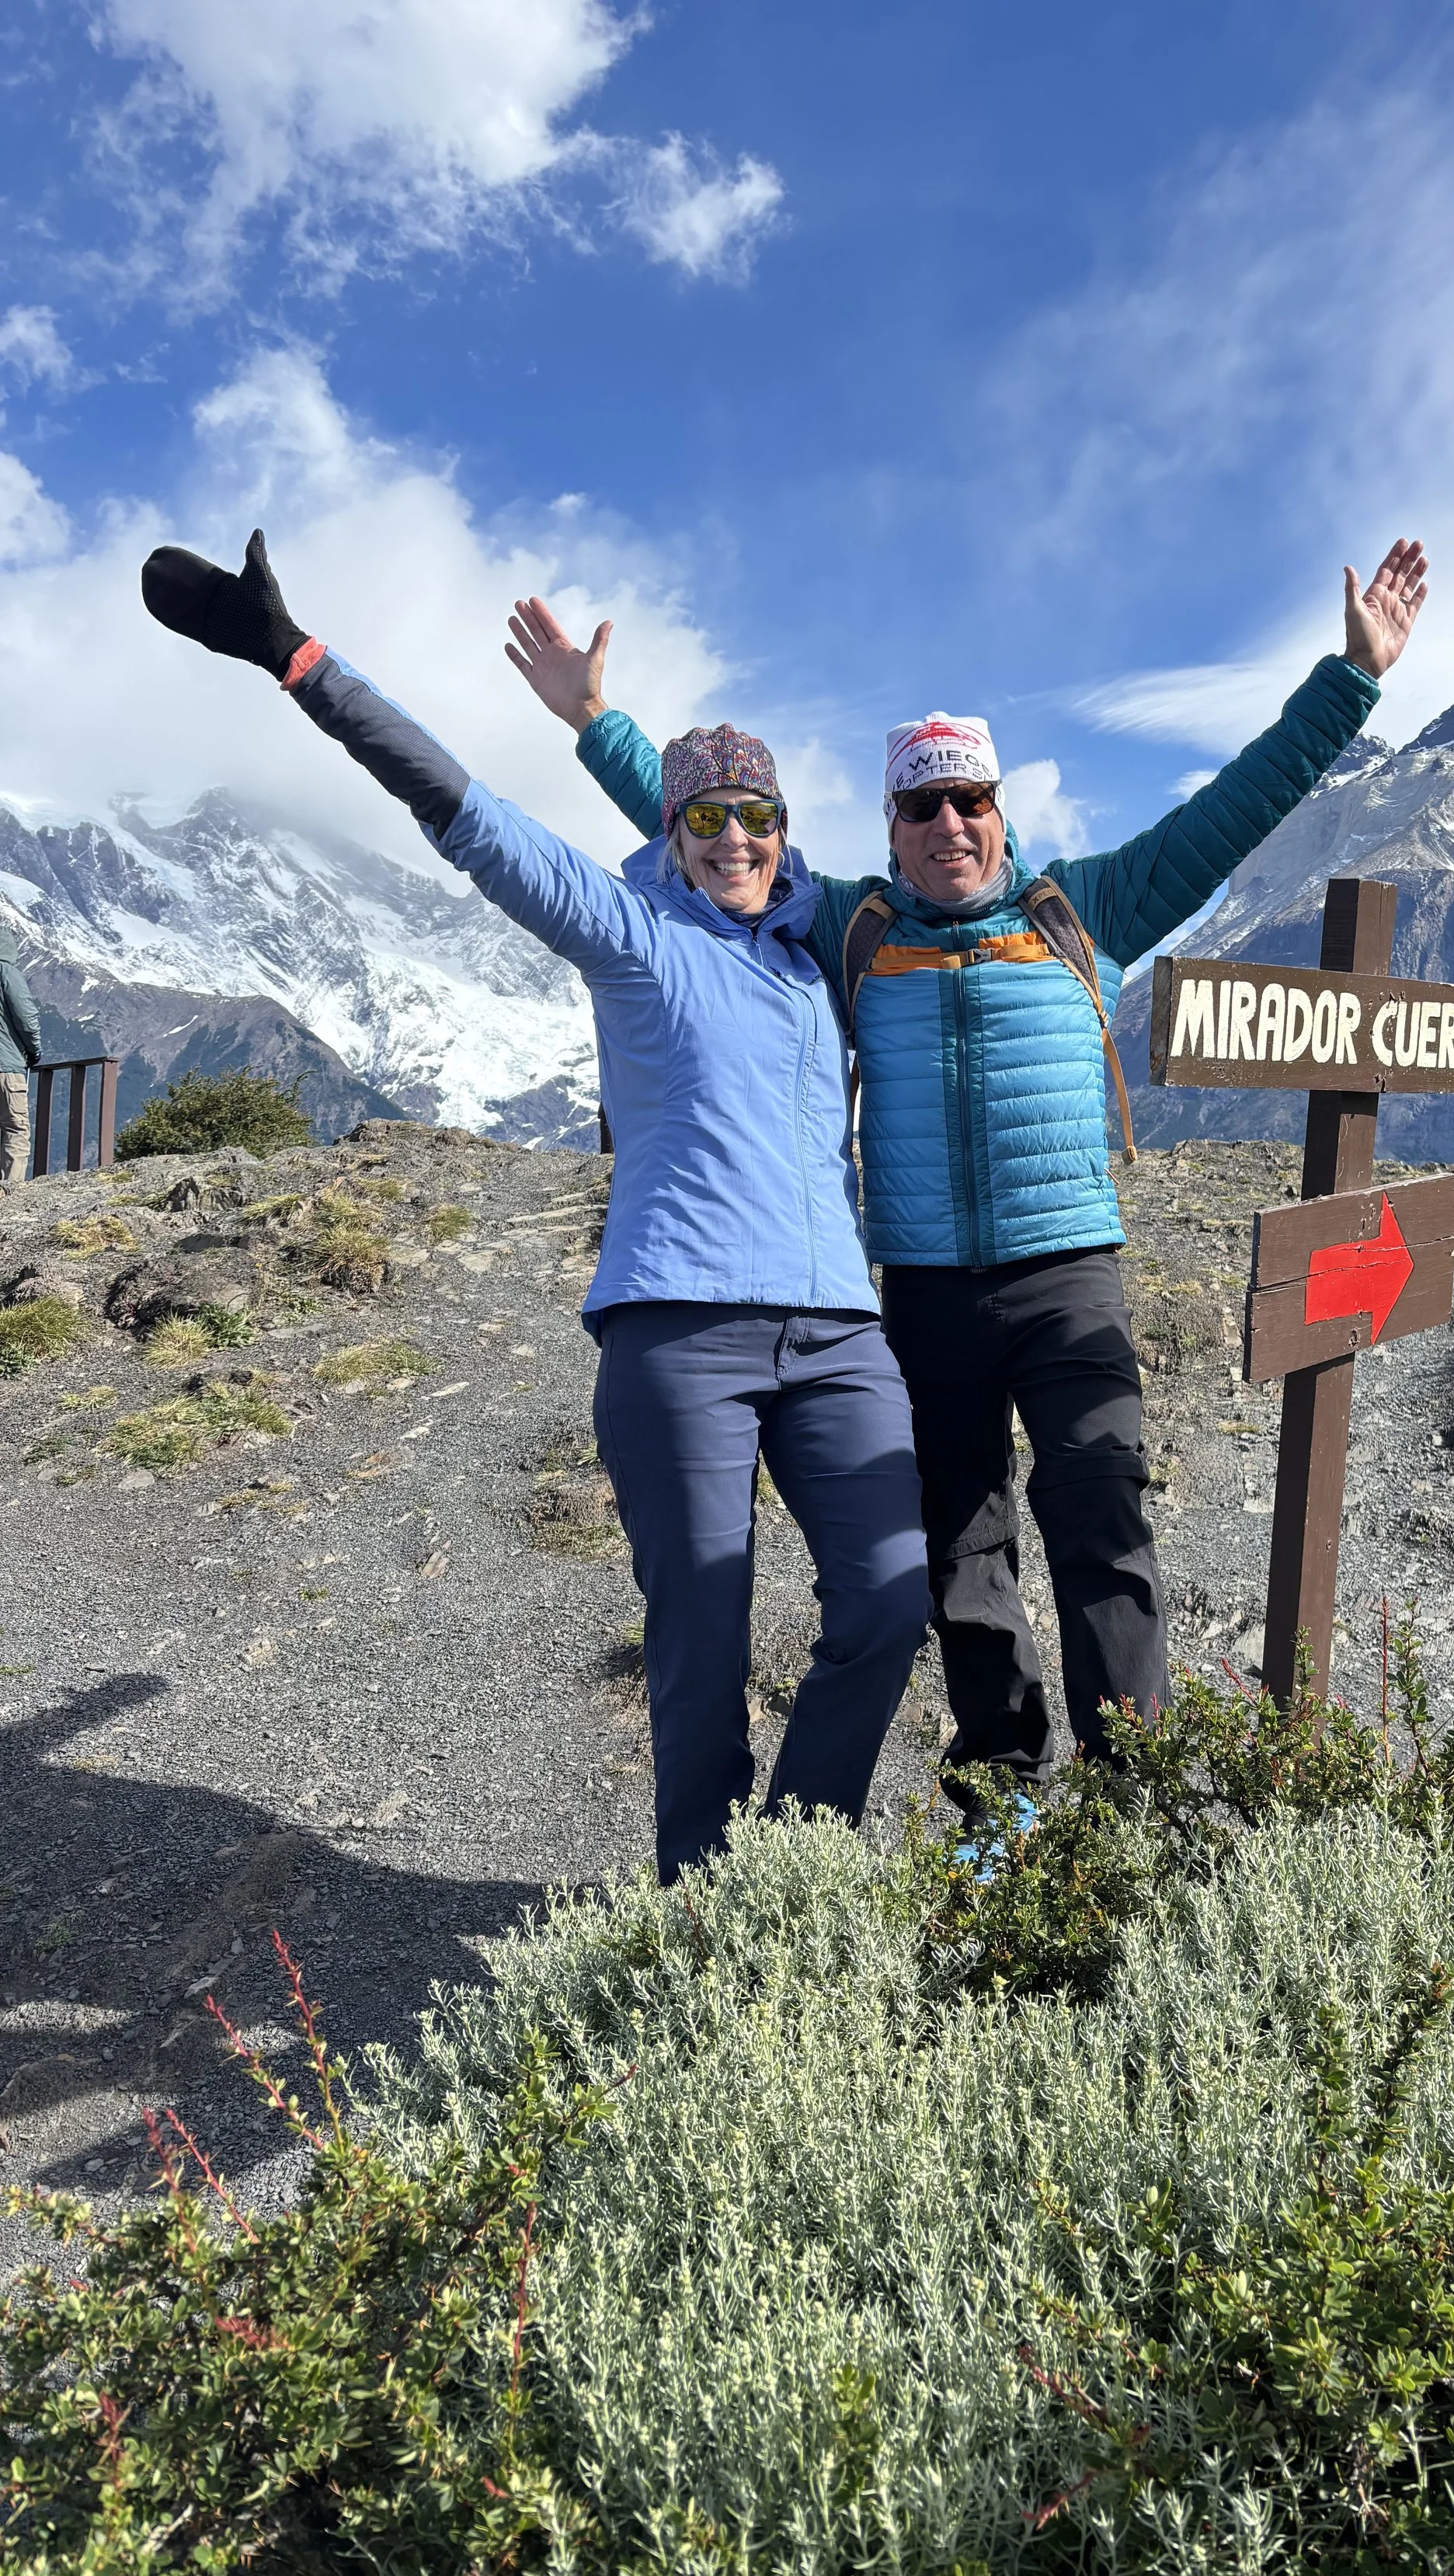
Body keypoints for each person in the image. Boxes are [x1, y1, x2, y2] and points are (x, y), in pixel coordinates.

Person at [506, 542, 1427, 1810]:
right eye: (921, 806)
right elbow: (720, 831)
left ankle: (1134, 1802)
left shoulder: (1085, 907)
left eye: (969, 799)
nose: (949, 823)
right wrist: (597, 724)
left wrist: (1352, 679)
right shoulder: (856, 928)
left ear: (1001, 810)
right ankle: (1005, 1810)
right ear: (889, 826)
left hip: (1069, 1278)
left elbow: (1237, 807)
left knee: (1104, 1526)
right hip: (926, 1296)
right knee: (961, 1560)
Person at [141, 531, 931, 1885]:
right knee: (701, 1637)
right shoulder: (631, 932)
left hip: (842, 1331)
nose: (736, 836)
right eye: (706, 816)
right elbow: (464, 810)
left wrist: (600, 718)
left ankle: (789, 1877)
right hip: (681, 1330)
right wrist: (300, 661)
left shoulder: (822, 955)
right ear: (670, 836)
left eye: (759, 815)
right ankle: (709, 1913)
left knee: (890, 1595)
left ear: (785, 832)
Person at [0, 925, 42, 1188]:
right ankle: (10, 1197)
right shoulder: (6, 972)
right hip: (7, 1069)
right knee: (15, 1129)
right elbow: (26, 1018)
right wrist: (34, 1050)